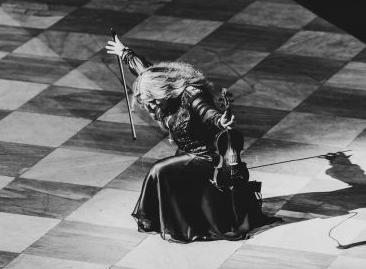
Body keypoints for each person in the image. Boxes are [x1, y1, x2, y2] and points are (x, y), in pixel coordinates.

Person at [106, 35, 267, 242]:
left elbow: (207, 112)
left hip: (207, 157)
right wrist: (125, 53)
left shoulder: (192, 94)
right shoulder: (158, 84)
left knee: (158, 170)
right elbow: (145, 70)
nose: (152, 108)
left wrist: (220, 120)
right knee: (166, 171)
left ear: (164, 91)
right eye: (147, 104)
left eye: (153, 102)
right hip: (187, 152)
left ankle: (157, 220)